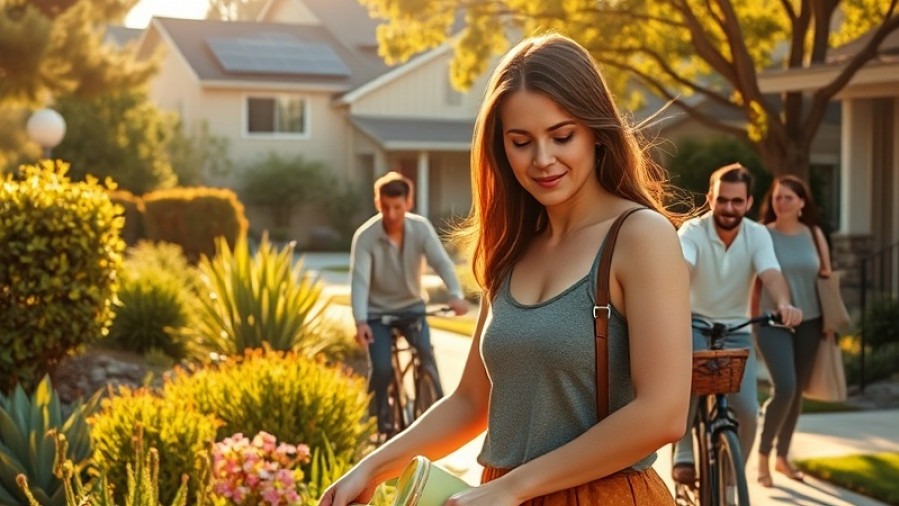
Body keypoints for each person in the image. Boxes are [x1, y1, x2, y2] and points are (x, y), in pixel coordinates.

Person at [321, 33, 692, 506]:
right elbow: (471, 404)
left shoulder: (640, 236)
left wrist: (513, 487)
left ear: (597, 132)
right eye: (521, 142)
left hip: (600, 496)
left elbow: (662, 413)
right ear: (500, 148)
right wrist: (370, 470)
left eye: (562, 136)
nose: (542, 160)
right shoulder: (513, 248)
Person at [671, 163, 804, 486]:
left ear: (748, 202)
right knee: (688, 382)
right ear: (710, 198)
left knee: (746, 410)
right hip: (694, 323)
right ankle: (684, 449)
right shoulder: (692, 231)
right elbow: (682, 267)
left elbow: (770, 273)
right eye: (722, 200)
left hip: (737, 330)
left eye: (737, 201)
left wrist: (784, 303)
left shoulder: (757, 234)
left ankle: (733, 482)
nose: (729, 208)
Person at [350, 171, 469, 438]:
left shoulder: (420, 228)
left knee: (426, 357)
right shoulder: (366, 236)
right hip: (378, 314)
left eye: (398, 207)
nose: (391, 214)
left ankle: (438, 424)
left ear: (408, 202)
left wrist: (455, 293)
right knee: (381, 369)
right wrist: (360, 321)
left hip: (413, 308)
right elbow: (359, 281)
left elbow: (441, 262)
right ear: (377, 203)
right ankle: (378, 426)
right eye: (385, 207)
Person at [752, 175, 831, 487]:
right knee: (784, 386)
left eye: (788, 197)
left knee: (797, 391)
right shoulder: (761, 235)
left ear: (801, 203)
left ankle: (782, 457)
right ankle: (763, 457)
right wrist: (752, 318)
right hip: (772, 322)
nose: (780, 202)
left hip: (812, 320)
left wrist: (830, 323)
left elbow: (826, 276)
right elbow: (754, 282)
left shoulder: (814, 233)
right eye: (776, 197)